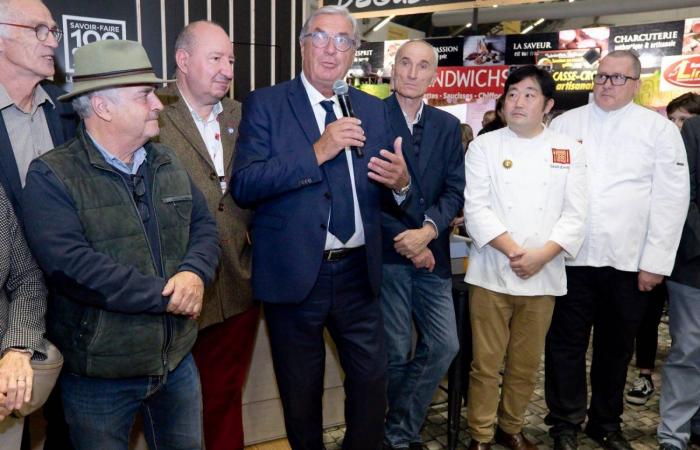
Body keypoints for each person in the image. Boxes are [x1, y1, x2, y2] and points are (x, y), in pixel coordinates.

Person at [21, 39, 220, 450]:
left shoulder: (166, 161)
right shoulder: (52, 176)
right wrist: (168, 295)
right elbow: (73, 267)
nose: (158, 105)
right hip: (100, 379)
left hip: (176, 363)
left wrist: (194, 272)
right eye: (145, 95)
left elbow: (204, 227)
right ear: (103, 107)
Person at [231, 5, 410, 449]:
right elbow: (246, 184)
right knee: (301, 391)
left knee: (372, 382)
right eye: (321, 38)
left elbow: (392, 191)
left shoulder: (373, 108)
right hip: (295, 276)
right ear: (303, 45)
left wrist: (403, 184)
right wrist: (318, 150)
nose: (331, 50)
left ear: (354, 52)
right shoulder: (266, 104)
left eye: (343, 41)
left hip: (357, 273)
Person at [544, 50, 689, 450]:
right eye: (602, 77)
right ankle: (564, 421)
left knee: (616, 347)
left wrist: (655, 263)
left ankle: (605, 422)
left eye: (617, 78)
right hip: (570, 257)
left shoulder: (659, 131)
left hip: (630, 261)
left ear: (636, 84)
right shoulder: (564, 123)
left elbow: (671, 200)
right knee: (564, 344)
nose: (607, 85)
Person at [463, 65, 587, 450]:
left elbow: (576, 214)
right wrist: (516, 252)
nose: (518, 102)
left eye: (529, 94)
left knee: (525, 362)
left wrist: (541, 256)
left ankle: (510, 426)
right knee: (485, 363)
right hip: (491, 272)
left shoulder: (568, 150)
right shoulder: (484, 146)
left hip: (543, 273)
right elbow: (476, 208)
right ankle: (481, 434)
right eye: (512, 93)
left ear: (548, 104)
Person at [156, 21, 257, 450]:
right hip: (176, 286)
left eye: (231, 60)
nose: (227, 69)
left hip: (239, 281)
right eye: (216, 58)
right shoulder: (153, 112)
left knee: (225, 397)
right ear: (183, 60)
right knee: (175, 406)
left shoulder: (244, 115)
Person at [380, 39, 464, 450]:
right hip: (386, 254)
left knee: (445, 344)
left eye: (423, 66)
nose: (413, 73)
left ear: (435, 74)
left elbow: (454, 190)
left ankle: (395, 429)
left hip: (433, 255)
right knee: (394, 353)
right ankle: (401, 436)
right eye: (405, 64)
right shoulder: (371, 117)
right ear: (394, 69)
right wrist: (409, 241)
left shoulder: (448, 127)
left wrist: (428, 231)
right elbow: (364, 193)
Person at [0, 1, 77, 448]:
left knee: (70, 423)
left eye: (54, 31)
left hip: (68, 298)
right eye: (40, 30)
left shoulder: (66, 115)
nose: (53, 41)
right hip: (8, 308)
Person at [626, 92, 700, 406]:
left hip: (689, 255)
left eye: (683, 120)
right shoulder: (656, 151)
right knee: (648, 315)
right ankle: (644, 375)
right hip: (656, 250)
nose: (676, 126)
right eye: (671, 119)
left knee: (688, 340)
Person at [657, 114, 700, 450]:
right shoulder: (694, 129)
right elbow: (682, 193)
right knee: (689, 349)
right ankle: (674, 435)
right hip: (694, 264)